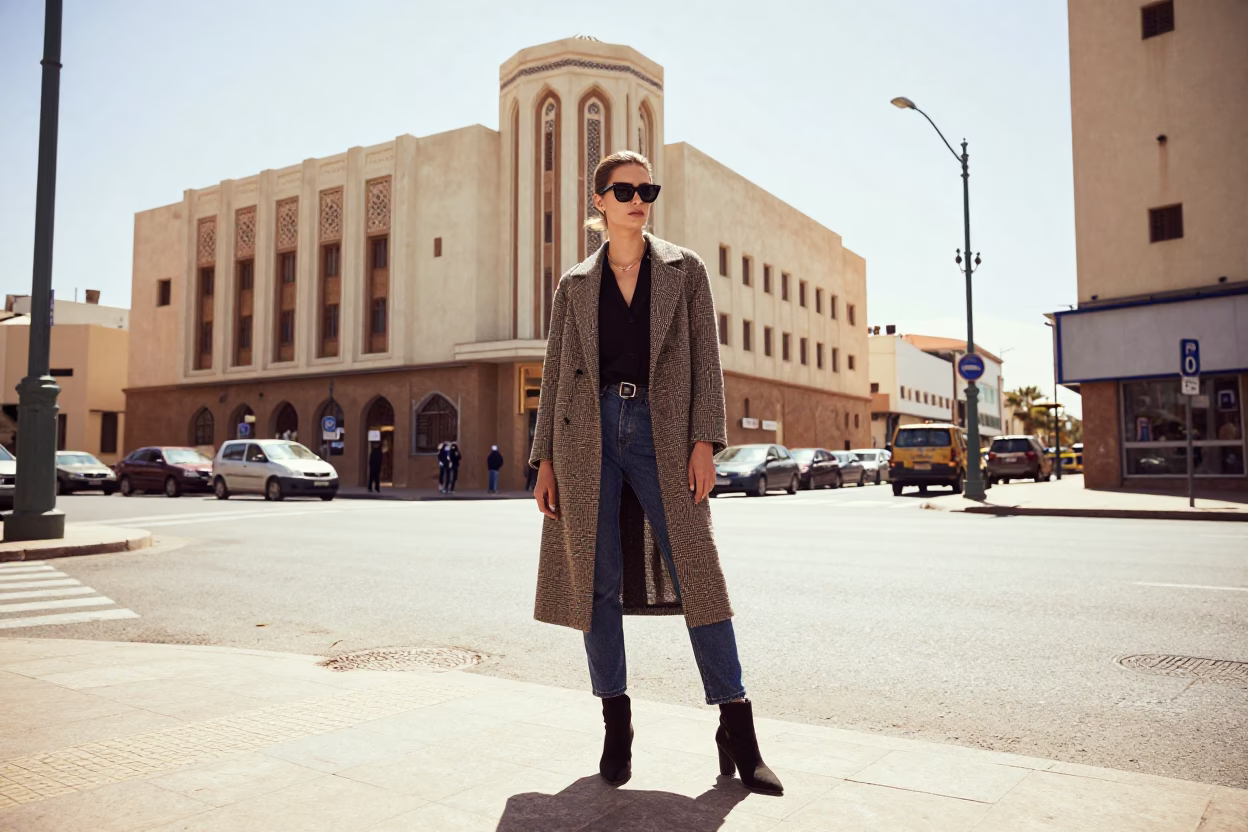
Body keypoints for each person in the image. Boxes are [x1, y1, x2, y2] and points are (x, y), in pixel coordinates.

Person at [528, 151, 782, 795]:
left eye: (647, 189)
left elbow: (706, 361)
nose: (639, 199)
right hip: (586, 436)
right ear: (600, 202)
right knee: (597, 584)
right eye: (625, 190)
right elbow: (555, 374)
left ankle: (738, 726)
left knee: (699, 572)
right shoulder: (574, 285)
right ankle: (616, 724)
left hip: (660, 433)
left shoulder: (684, 270)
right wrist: (545, 459)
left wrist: (705, 441)